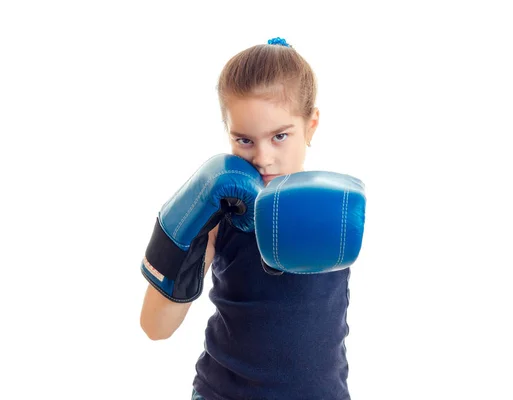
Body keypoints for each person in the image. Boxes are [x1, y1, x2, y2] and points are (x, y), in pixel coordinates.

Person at [139, 37, 366, 400]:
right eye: (244, 140)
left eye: (280, 136)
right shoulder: (221, 215)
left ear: (311, 125)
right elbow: (155, 328)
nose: (263, 157)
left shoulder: (335, 209)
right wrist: (191, 231)